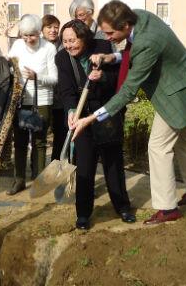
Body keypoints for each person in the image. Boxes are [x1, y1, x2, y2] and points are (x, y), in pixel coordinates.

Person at [71, 0, 186, 225]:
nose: (107, 38)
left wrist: (92, 117)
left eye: (110, 33)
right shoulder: (140, 17)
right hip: (182, 80)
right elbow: (130, 51)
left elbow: (128, 91)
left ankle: (167, 208)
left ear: (125, 25)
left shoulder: (147, 42)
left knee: (158, 147)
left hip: (175, 93)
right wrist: (112, 57)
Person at [56, 19, 135, 230]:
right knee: (85, 165)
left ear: (84, 37)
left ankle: (123, 207)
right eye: (65, 41)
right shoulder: (62, 58)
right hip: (81, 117)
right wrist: (71, 111)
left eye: (72, 40)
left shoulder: (101, 47)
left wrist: (103, 77)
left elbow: (119, 76)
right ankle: (83, 213)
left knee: (113, 163)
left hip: (105, 113)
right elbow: (66, 90)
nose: (69, 45)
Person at [7, 14, 58, 195]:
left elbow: (54, 78)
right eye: (25, 35)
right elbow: (8, 67)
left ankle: (39, 180)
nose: (29, 39)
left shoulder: (49, 48)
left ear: (39, 32)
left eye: (33, 35)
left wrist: (38, 77)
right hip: (20, 100)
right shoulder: (17, 45)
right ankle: (19, 180)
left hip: (42, 101)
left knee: (39, 142)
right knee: (19, 142)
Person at [41, 14, 66, 162]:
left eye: (56, 27)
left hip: (59, 98)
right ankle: (37, 167)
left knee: (60, 133)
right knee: (40, 135)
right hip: (41, 96)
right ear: (42, 29)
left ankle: (56, 164)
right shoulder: (38, 46)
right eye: (49, 27)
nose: (53, 30)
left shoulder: (63, 45)